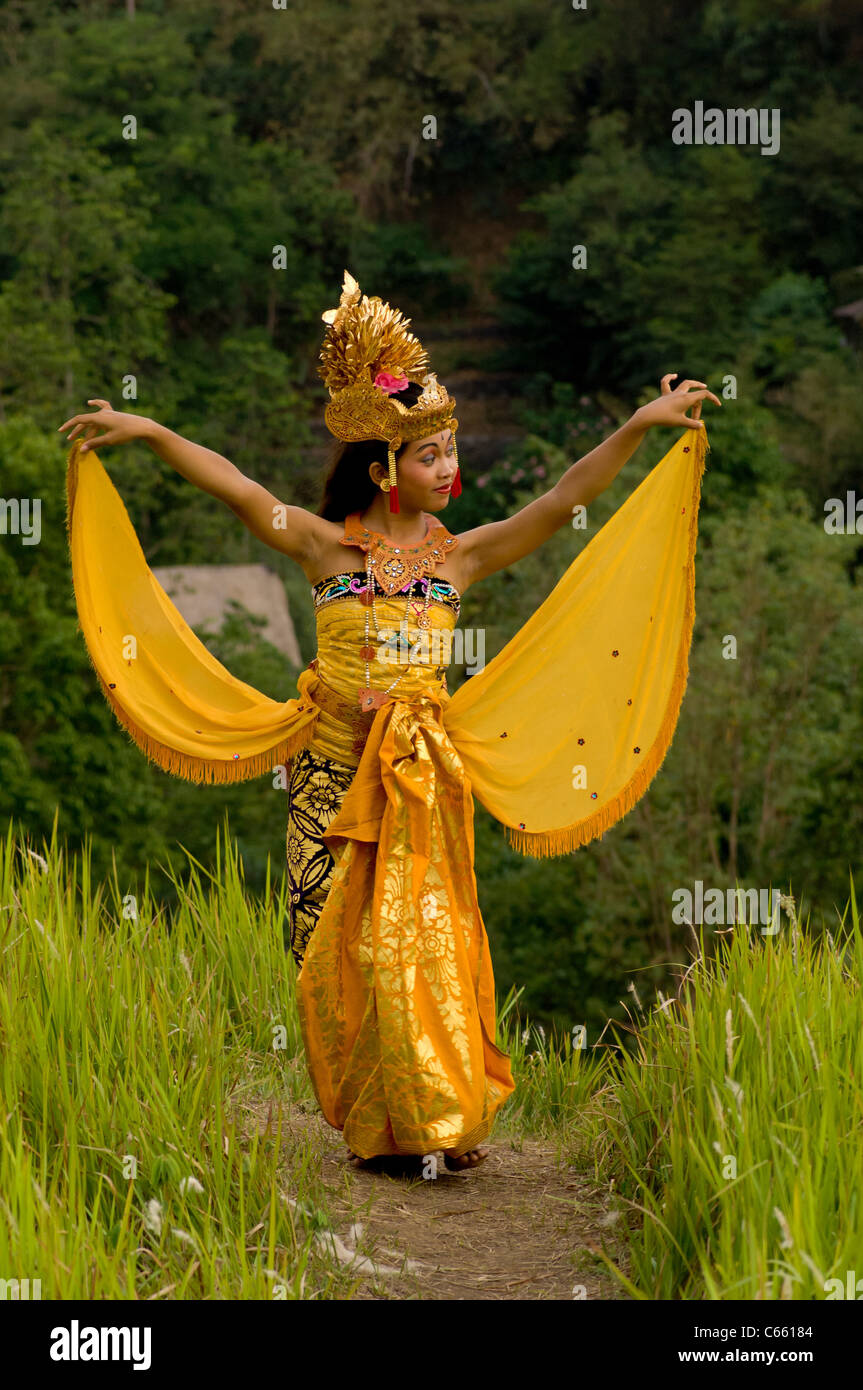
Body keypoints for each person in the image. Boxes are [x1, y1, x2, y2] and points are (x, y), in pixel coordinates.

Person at [60, 269, 719, 1175]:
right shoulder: (320, 545)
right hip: (328, 783)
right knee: (332, 956)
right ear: (383, 469)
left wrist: (638, 431)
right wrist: (150, 431)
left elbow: (564, 500)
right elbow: (236, 486)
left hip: (417, 789)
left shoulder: (462, 557)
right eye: (430, 456)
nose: (452, 470)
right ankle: (377, 1122)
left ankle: (437, 1121)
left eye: (451, 452)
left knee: (422, 952)